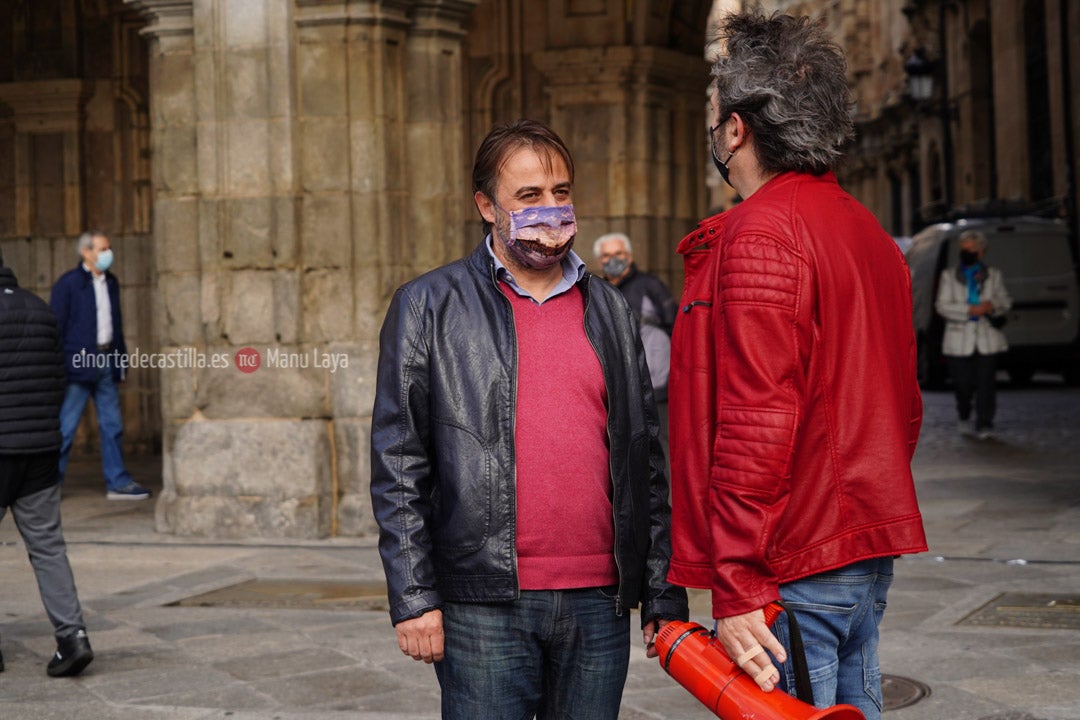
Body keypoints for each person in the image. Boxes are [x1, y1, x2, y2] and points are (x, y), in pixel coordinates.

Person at [370, 119, 688, 720]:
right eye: (529, 196)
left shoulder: (612, 311)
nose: (551, 208)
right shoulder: (427, 306)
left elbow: (644, 460)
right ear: (486, 206)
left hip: (598, 602)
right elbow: (398, 461)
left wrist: (662, 593)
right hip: (481, 605)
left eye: (561, 192)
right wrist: (414, 597)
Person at [666, 12, 926, 719]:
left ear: (739, 128)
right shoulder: (867, 231)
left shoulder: (760, 234)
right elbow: (903, 408)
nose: (716, 133)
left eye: (718, 119)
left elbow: (757, 422)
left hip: (794, 564)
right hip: (858, 549)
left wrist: (740, 583)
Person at [0, 249, 95, 677]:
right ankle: (72, 638)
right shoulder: (40, 310)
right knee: (48, 546)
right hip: (39, 450)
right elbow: (58, 379)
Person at [50, 230, 150, 500]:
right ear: (86, 252)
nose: (108, 254)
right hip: (79, 364)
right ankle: (49, 486)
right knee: (66, 427)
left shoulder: (112, 282)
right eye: (103, 249)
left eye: (109, 248)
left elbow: (116, 327)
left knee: (112, 425)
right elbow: (56, 327)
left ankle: (117, 482)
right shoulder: (68, 284)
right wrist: (60, 365)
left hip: (107, 359)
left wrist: (121, 362)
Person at [934, 229, 1012, 440]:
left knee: (986, 384)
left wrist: (991, 305)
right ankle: (964, 414)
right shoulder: (949, 276)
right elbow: (942, 305)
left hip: (986, 340)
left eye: (971, 249)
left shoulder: (993, 275)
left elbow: (1005, 302)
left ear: (981, 252)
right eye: (963, 250)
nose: (966, 253)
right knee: (963, 384)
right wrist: (968, 310)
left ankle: (985, 423)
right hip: (958, 340)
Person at [592, 232, 678, 401]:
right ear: (599, 261)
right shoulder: (596, 292)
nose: (613, 259)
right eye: (606, 255)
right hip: (617, 390)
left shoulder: (650, 285)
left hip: (656, 386)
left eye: (618, 253)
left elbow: (676, 326)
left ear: (629, 257)